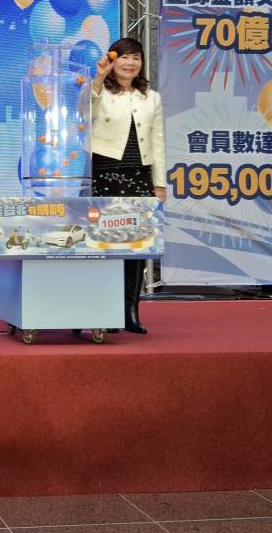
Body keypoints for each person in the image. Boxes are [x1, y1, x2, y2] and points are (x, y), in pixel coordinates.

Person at [88, 37, 165, 334]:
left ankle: (130, 310)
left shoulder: (151, 98)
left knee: (136, 247)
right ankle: (104, 310)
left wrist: (159, 184)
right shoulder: (100, 90)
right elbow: (85, 108)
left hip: (139, 177)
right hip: (105, 174)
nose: (130, 63)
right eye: (124, 57)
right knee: (106, 244)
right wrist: (99, 77)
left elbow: (158, 141)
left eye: (136, 58)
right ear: (113, 60)